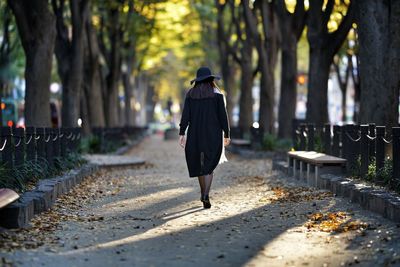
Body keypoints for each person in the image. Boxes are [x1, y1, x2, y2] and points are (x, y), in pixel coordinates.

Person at [179, 67, 230, 209]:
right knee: (209, 165)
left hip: (195, 133)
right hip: (213, 134)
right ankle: (205, 194)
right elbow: (223, 117)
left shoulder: (190, 95)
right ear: (211, 80)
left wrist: (182, 133)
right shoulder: (217, 95)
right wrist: (227, 134)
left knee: (199, 165)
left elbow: (185, 116)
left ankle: (203, 193)